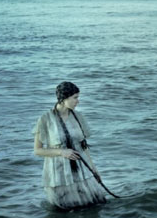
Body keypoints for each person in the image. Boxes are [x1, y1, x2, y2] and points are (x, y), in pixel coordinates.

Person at [33, 81, 107, 210]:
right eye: (75, 98)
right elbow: (38, 150)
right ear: (63, 99)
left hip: (81, 172)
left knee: (94, 207)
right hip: (59, 174)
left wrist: (94, 170)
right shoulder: (45, 119)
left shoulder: (78, 117)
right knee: (65, 211)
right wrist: (62, 152)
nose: (78, 101)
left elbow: (84, 146)